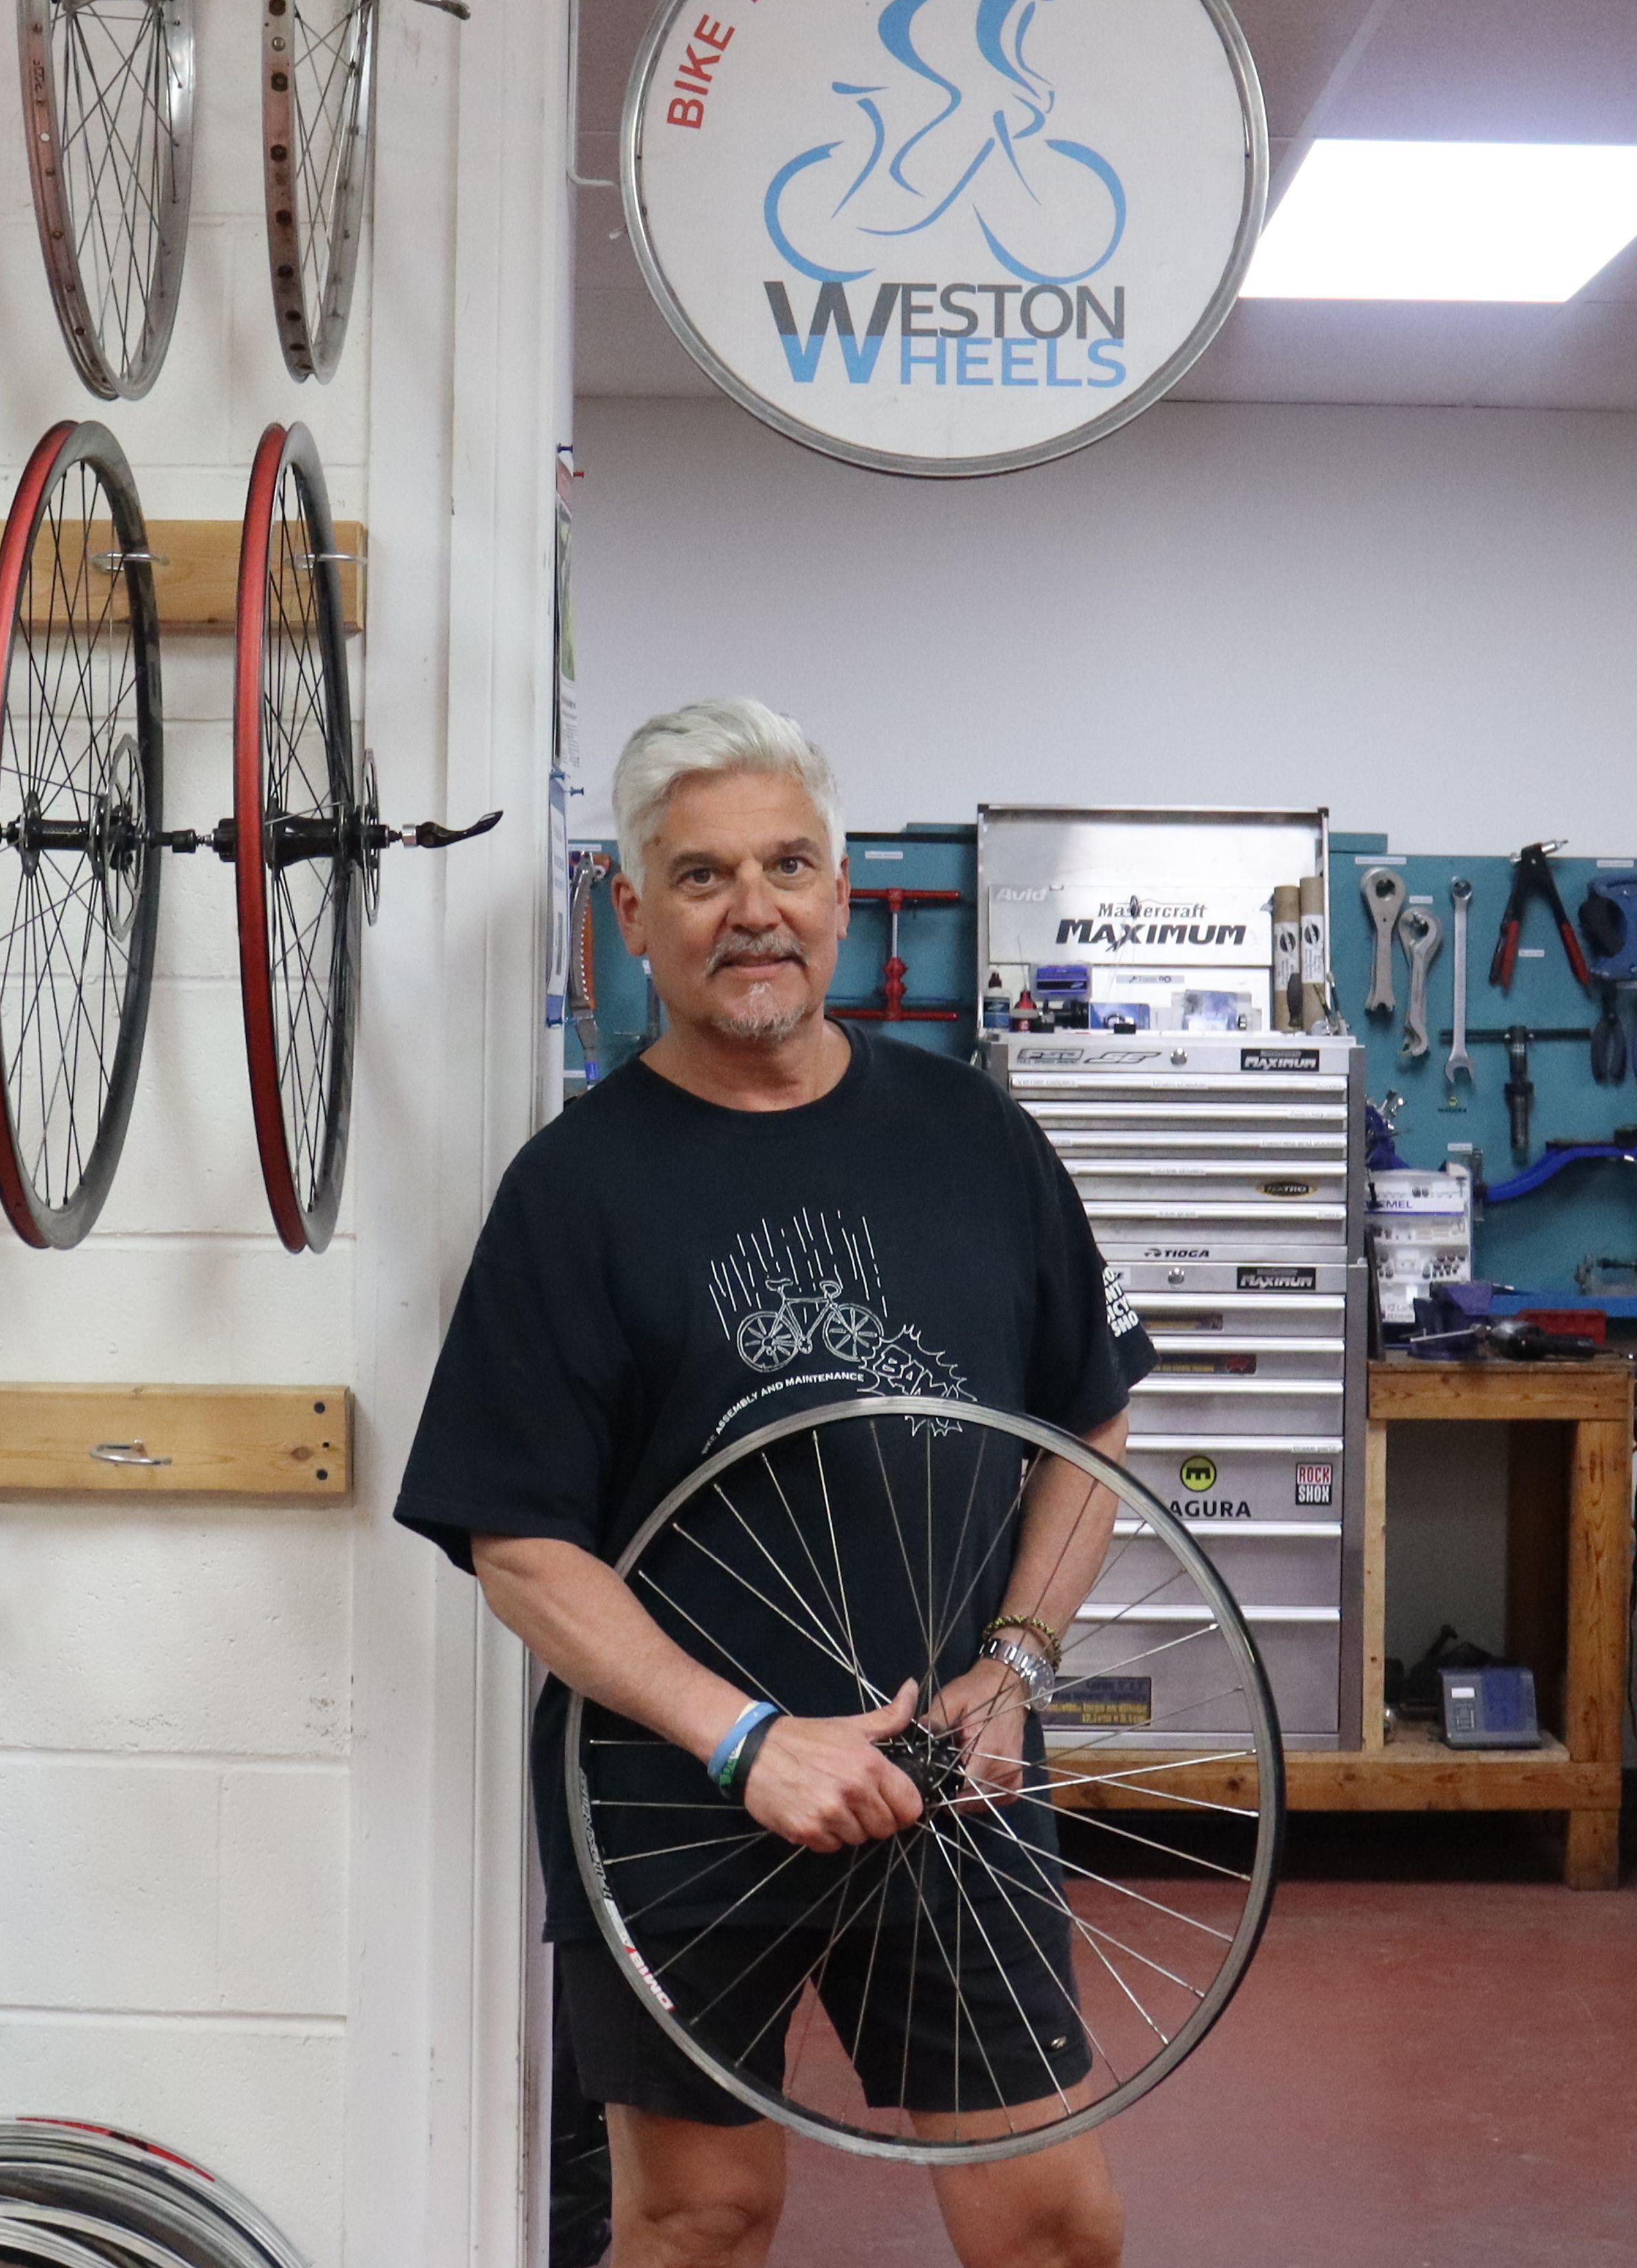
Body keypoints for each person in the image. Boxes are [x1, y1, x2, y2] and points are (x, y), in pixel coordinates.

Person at [396, 698, 1153, 2268]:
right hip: (681, 1799)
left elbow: (1089, 1435)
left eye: (787, 865)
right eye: (701, 876)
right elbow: (519, 1542)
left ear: (842, 889)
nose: (753, 911)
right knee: (699, 2222)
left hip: (958, 1784)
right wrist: (747, 1740)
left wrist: (1009, 1678)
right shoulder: (575, 1193)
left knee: (1052, 2227)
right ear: (631, 909)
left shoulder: (978, 1139)